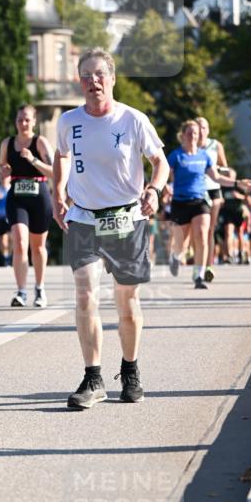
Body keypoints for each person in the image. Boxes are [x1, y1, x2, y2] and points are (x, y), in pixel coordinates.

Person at [53, 48, 168, 408]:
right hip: (84, 217)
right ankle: (93, 377)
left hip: (126, 218)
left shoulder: (133, 120)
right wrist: (58, 191)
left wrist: (154, 189)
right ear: (79, 81)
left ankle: (130, 370)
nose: (93, 82)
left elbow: (159, 161)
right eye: (85, 76)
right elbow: (61, 157)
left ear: (113, 78)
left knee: (127, 303)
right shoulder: (68, 121)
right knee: (85, 293)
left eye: (99, 74)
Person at [167, 120, 251, 289]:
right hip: (180, 202)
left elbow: (217, 177)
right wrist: (161, 190)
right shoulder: (176, 155)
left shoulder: (204, 156)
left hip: (200, 201)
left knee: (202, 235)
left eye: (196, 134)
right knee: (181, 242)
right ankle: (176, 257)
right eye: (189, 133)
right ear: (182, 135)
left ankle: (198, 275)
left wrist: (237, 183)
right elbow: (165, 176)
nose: (193, 136)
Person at [0, 104, 54, 308]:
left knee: (37, 247)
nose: (23, 123)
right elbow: (2, 168)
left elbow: (54, 172)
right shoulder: (7, 143)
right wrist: (3, 173)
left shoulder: (40, 142)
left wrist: (34, 160)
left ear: (34, 122)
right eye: (20, 119)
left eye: (27, 120)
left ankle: (39, 288)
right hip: (17, 196)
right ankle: (21, 291)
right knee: (20, 242)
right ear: (16, 121)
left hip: (39, 195)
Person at [196, 117, 234, 282]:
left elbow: (225, 168)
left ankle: (208, 265)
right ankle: (200, 264)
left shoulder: (216, 145)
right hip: (196, 191)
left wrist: (220, 170)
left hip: (213, 190)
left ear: (208, 130)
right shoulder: (190, 146)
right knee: (199, 231)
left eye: (204, 127)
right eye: (198, 128)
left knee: (210, 229)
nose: (201, 131)